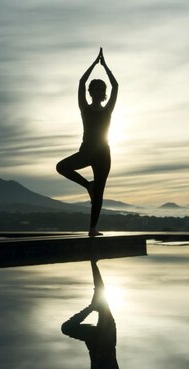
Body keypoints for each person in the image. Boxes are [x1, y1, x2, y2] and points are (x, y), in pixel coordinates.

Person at [56, 47, 118, 236]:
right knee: (61, 167)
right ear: (91, 92)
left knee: (99, 192)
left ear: (104, 93)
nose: (99, 91)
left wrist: (105, 66)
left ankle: (92, 228)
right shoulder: (85, 108)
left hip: (103, 154)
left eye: (102, 89)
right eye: (96, 89)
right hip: (86, 151)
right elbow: (82, 82)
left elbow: (116, 86)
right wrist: (94, 63)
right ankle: (87, 185)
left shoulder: (108, 110)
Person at [61, 261, 129, 369]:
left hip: (102, 337)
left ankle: (93, 263)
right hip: (100, 338)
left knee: (101, 294)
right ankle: (92, 304)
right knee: (66, 327)